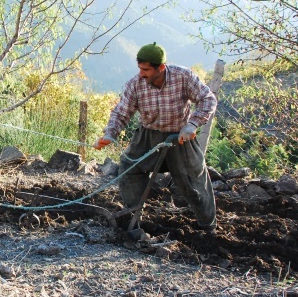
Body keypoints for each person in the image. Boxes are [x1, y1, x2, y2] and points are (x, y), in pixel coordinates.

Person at [93, 42, 218, 232]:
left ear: (161, 67)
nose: (142, 74)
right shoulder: (135, 84)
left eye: (146, 69)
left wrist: (192, 124)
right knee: (128, 169)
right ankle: (134, 216)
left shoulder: (183, 76)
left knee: (193, 180)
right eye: (140, 69)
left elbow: (208, 99)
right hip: (147, 135)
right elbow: (121, 113)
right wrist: (110, 134)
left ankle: (207, 226)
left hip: (180, 137)